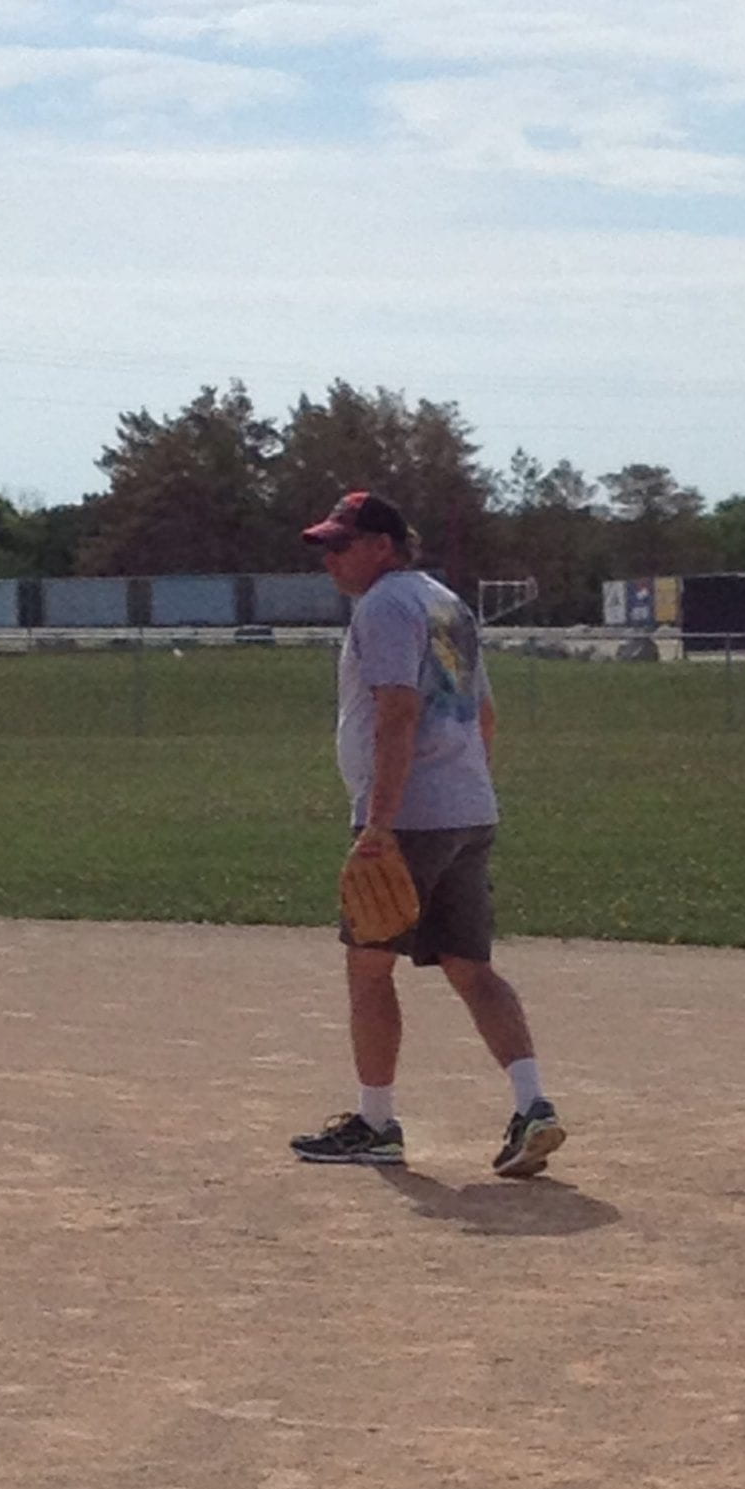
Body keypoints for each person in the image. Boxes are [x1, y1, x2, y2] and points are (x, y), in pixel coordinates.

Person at [288, 489, 566, 1179]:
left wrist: (381, 823)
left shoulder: (383, 605)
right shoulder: (447, 603)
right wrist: (469, 789)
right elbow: (485, 714)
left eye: (341, 544)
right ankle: (533, 1106)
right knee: (471, 967)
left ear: (382, 545)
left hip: (408, 816)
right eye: (325, 546)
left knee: (368, 966)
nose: (330, 559)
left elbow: (398, 712)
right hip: (467, 807)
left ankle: (377, 1123)